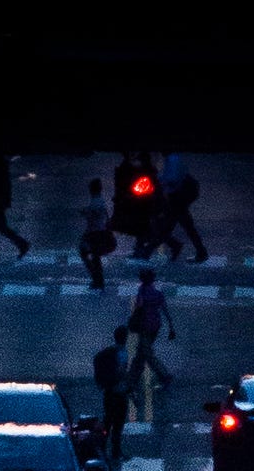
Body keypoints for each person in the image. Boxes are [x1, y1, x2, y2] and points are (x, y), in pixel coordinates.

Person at [125, 266, 176, 396]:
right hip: (156, 325)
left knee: (146, 353)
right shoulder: (158, 293)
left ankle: (164, 375)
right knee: (141, 352)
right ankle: (132, 379)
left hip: (144, 325)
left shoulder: (142, 291)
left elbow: (139, 306)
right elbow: (165, 310)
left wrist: (133, 319)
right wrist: (171, 327)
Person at [93, 327, 132, 470]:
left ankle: (102, 449)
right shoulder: (122, 353)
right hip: (119, 393)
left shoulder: (111, 351)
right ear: (125, 338)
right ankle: (116, 452)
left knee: (108, 421)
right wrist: (128, 385)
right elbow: (121, 371)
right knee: (118, 423)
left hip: (109, 392)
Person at [78, 178, 116, 289]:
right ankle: (98, 280)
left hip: (95, 234)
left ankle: (97, 279)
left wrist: (86, 212)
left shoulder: (96, 202)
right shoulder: (100, 201)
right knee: (94, 256)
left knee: (88, 254)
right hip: (98, 233)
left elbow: (94, 218)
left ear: (91, 189)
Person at [166, 161, 207, 263]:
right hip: (179, 202)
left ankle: (176, 246)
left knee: (162, 229)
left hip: (176, 202)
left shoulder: (171, 161)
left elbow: (171, 182)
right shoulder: (174, 162)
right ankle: (200, 252)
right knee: (188, 228)